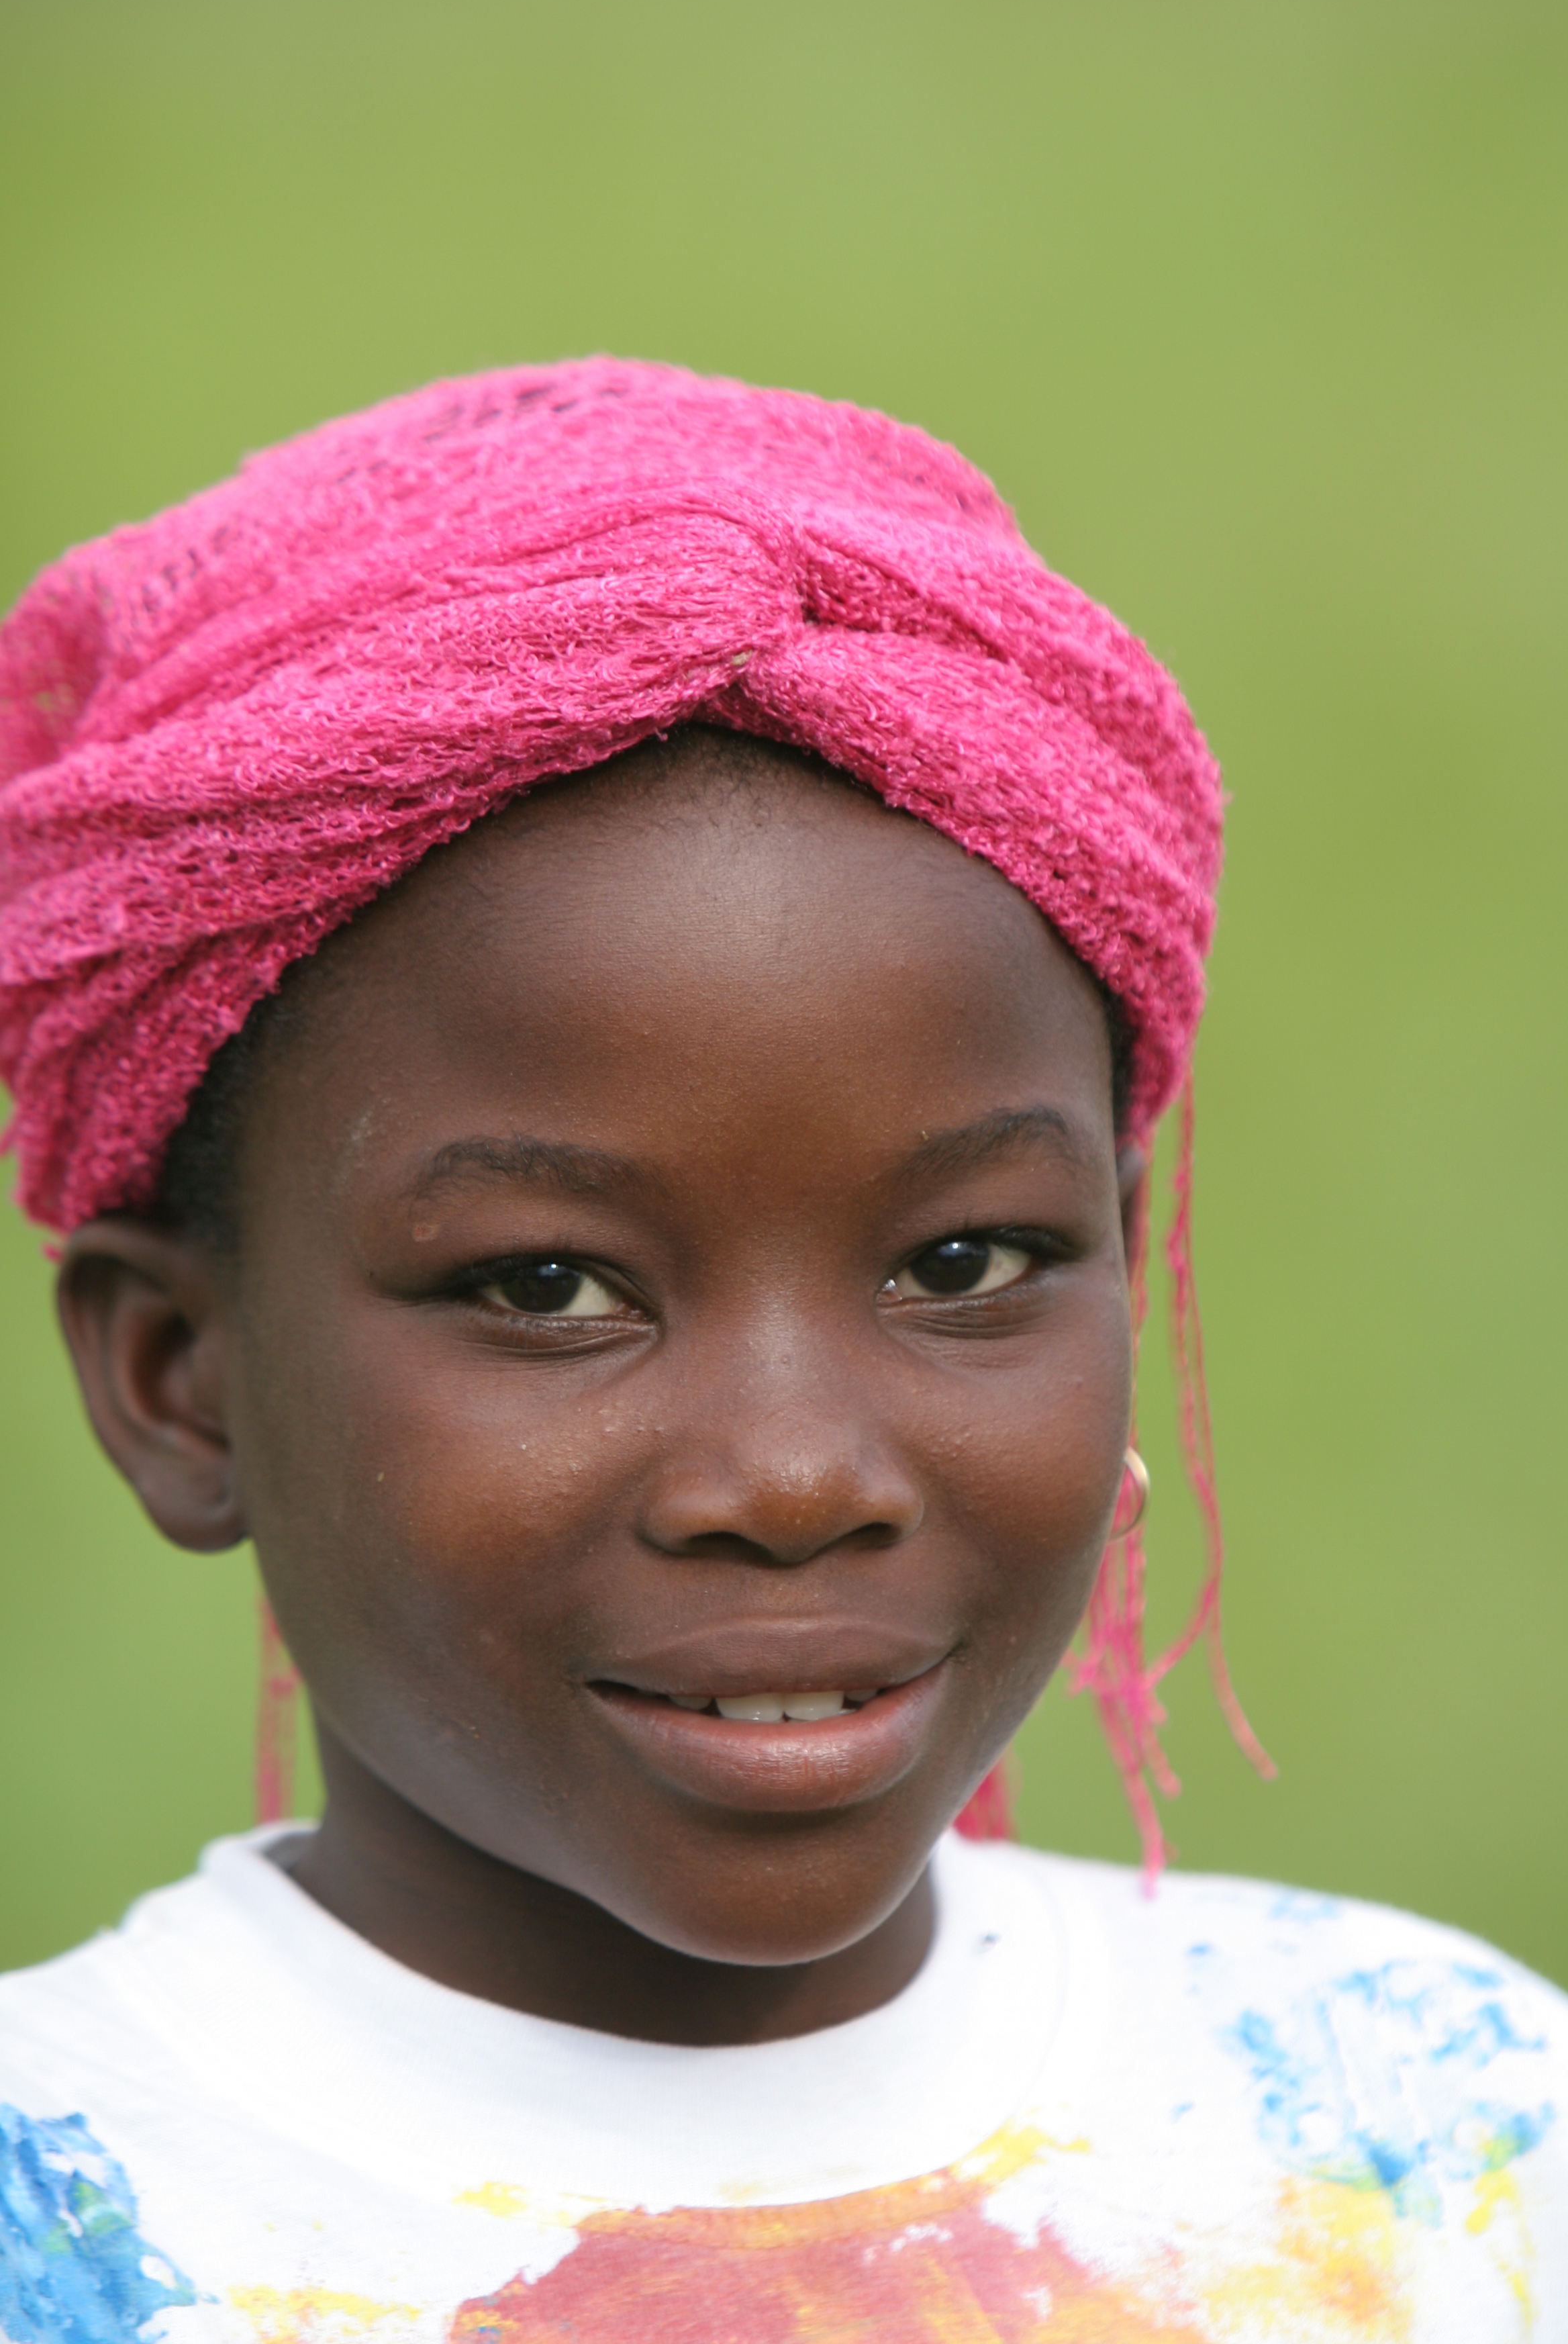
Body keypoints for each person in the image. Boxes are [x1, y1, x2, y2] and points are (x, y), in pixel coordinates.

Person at [0, 361, 1560, 2343]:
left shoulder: (1439, 2138)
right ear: (175, 1376)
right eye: (550, 1290)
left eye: (967, 1259)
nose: (797, 1474)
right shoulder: (64, 2211)